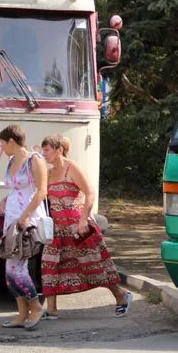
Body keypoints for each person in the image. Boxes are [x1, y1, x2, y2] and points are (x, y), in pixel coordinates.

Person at [39, 134, 133, 318]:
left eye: (47, 150)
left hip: (78, 229)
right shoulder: (48, 173)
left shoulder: (72, 168)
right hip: (58, 230)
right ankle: (51, 309)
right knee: (50, 265)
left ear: (59, 149)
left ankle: (121, 295)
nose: (44, 154)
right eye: (43, 150)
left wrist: (83, 220)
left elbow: (90, 192)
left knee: (94, 265)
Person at [0, 124, 49, 329]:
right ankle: (21, 313)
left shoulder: (34, 160)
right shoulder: (11, 160)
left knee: (17, 268)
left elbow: (41, 191)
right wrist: (4, 199)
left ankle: (35, 305)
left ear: (12, 141)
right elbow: (17, 188)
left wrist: (25, 216)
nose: (2, 148)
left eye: (2, 144)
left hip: (26, 221)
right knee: (11, 268)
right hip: (11, 218)